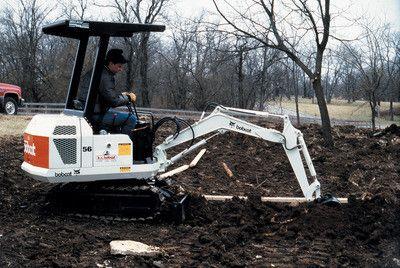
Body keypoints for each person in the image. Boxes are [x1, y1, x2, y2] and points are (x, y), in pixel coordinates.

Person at [78, 48, 137, 136]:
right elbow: (114, 101)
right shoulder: (105, 76)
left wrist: (122, 95)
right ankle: (124, 147)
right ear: (111, 63)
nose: (121, 69)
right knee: (131, 119)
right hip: (95, 115)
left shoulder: (98, 71)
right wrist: (128, 98)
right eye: (119, 66)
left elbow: (106, 94)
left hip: (89, 110)